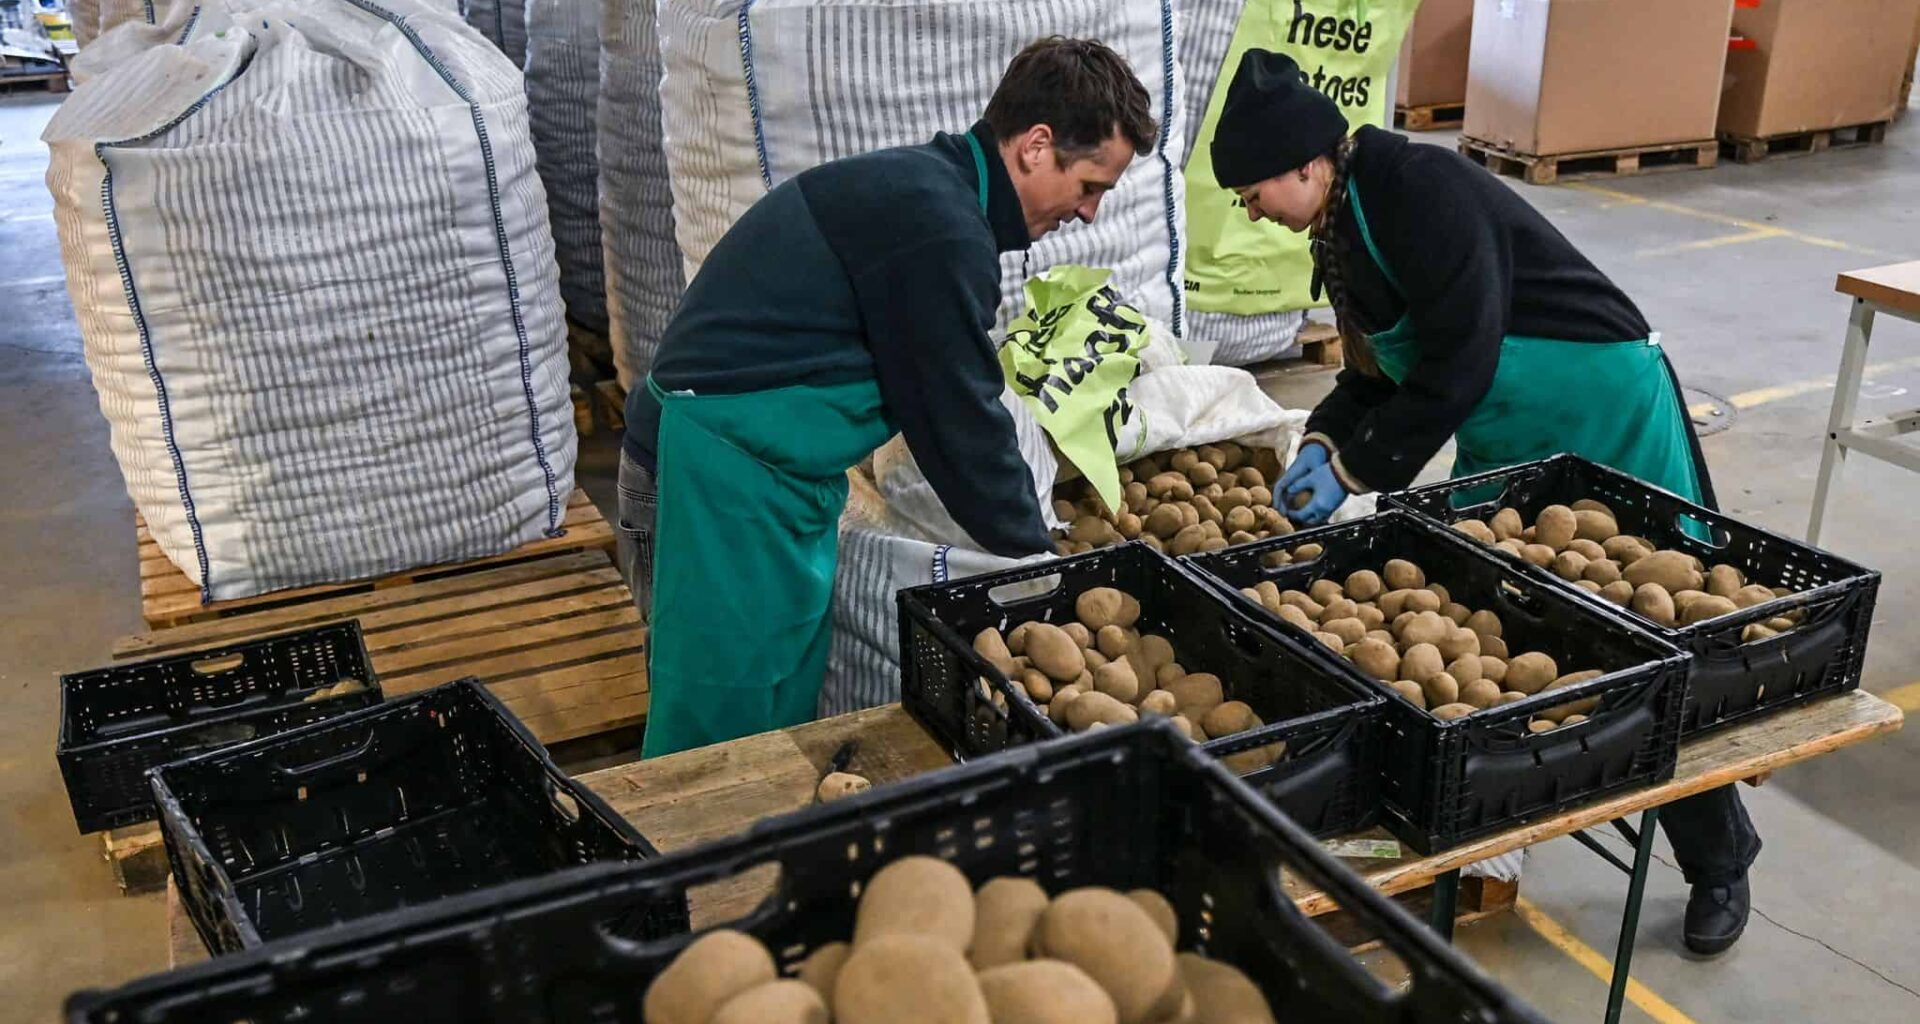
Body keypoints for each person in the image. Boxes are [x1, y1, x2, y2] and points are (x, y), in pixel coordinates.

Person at [1209, 49, 1759, 955]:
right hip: (1510, 423)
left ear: (1306, 165)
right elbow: (1377, 370)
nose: (1251, 209)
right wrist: (1322, 438)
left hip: (1596, 404)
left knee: (1647, 638)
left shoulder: (1419, 190)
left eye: (1254, 190)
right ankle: (1519, 795)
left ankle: (1720, 857)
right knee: (1511, 614)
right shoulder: (1341, 228)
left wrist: (1358, 472)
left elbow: (1457, 361)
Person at [615, 37, 1159, 759]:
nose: (1089, 212)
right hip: (713, 476)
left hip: (773, 481)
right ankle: (683, 870)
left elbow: (951, 399)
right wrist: (1042, 565)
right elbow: (958, 418)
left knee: (779, 707)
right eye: (1090, 185)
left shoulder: (932, 195)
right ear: (1035, 146)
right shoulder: (936, 222)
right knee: (715, 731)